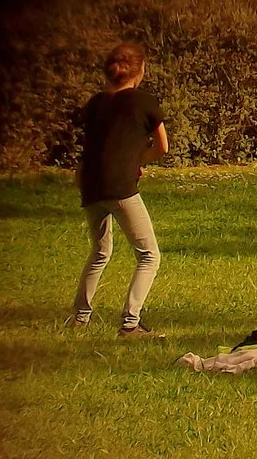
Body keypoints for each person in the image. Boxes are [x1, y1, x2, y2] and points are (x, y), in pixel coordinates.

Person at [65, 41, 170, 336]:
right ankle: (130, 324)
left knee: (99, 251)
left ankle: (80, 318)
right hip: (120, 187)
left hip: (90, 183)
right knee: (149, 256)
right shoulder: (144, 101)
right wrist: (139, 161)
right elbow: (162, 147)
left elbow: (99, 144)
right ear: (141, 71)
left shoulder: (96, 103)